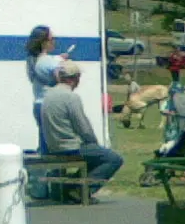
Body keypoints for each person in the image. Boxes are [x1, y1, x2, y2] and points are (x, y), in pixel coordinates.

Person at [39, 62, 123, 197]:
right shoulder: (71, 98)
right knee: (113, 159)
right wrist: (93, 143)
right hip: (71, 147)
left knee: (96, 156)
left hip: (53, 146)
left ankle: (71, 187)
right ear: (75, 78)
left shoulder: (48, 96)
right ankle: (82, 189)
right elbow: (83, 127)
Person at [25, 25, 67, 150]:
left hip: (39, 104)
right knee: (53, 147)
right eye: (51, 39)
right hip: (50, 106)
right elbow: (63, 77)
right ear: (43, 42)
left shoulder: (33, 60)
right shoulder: (47, 61)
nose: (54, 41)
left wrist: (57, 59)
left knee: (45, 143)